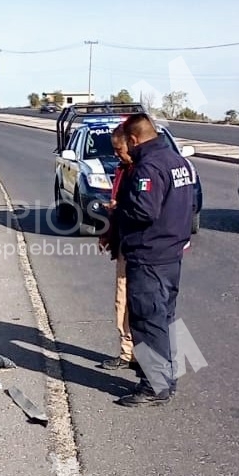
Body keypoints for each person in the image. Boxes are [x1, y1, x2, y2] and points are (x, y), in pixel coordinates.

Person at [111, 113, 194, 407]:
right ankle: (166, 379)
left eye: (127, 146)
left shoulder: (149, 167)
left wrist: (118, 211)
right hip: (172, 254)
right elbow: (192, 203)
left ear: (134, 139)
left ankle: (153, 386)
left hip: (149, 255)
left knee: (146, 321)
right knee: (164, 319)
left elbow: (144, 211)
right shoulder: (177, 161)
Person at [98, 123, 138, 371]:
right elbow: (116, 205)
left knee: (133, 301)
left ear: (132, 143)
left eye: (118, 148)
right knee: (122, 300)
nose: (115, 154)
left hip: (141, 248)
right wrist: (108, 233)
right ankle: (128, 352)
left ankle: (133, 354)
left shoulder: (142, 172)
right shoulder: (123, 170)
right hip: (125, 242)